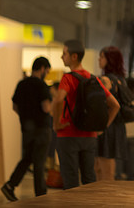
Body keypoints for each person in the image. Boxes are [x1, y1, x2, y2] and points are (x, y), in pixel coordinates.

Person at [52, 39, 120, 190]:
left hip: (68, 134)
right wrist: (102, 127)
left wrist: (56, 123)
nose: (62, 57)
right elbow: (115, 105)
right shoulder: (93, 79)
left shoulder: (68, 78)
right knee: (89, 179)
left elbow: (57, 100)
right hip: (89, 136)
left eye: (64, 54)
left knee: (70, 181)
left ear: (74, 56)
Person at [1, 57, 52, 201]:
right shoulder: (42, 86)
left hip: (27, 130)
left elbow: (14, 106)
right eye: (46, 71)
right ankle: (40, 196)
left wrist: (25, 116)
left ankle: (10, 185)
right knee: (39, 163)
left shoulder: (22, 84)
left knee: (27, 159)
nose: (46, 74)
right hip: (42, 129)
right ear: (42, 68)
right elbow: (46, 107)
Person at [96, 46, 128, 181]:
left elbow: (114, 106)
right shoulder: (120, 79)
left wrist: (103, 126)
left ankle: (103, 198)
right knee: (103, 166)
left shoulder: (107, 80)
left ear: (110, 60)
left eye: (102, 56)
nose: (99, 59)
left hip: (107, 126)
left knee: (104, 168)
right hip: (115, 126)